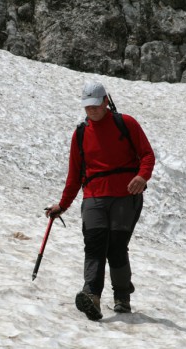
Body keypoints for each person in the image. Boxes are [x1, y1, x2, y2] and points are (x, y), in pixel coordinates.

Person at [46, 81, 155, 320]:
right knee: (94, 245)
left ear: (106, 101)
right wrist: (62, 205)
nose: (91, 111)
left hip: (126, 196)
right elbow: (74, 174)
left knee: (116, 248)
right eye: (87, 107)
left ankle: (122, 297)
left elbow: (147, 154)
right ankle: (91, 296)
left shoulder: (125, 124)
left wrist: (141, 176)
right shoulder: (81, 133)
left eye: (95, 105)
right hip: (94, 195)